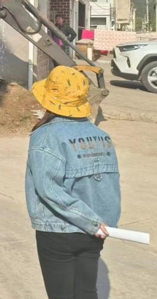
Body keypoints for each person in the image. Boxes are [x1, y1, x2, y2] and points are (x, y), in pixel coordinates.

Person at [26, 66, 120, 299]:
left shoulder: (45, 136)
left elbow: (49, 189)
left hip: (57, 230)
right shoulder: (102, 136)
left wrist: (90, 222)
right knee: (86, 292)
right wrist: (101, 223)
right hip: (94, 232)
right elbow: (110, 186)